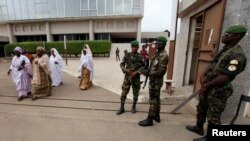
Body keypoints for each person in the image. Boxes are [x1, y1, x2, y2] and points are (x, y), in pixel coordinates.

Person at [186, 25, 247, 141]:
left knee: (214, 115)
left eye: (227, 34)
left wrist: (206, 85)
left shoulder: (237, 55)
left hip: (219, 90)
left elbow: (225, 77)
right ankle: (199, 127)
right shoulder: (225, 49)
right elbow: (214, 63)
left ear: (237, 36)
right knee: (202, 107)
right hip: (208, 86)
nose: (224, 36)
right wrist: (203, 74)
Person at [138, 36, 169, 126]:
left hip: (156, 82)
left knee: (153, 100)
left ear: (162, 44)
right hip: (153, 80)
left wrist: (148, 74)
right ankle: (157, 116)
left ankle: (149, 119)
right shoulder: (158, 53)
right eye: (156, 43)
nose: (155, 44)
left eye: (158, 43)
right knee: (157, 99)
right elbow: (154, 67)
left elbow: (161, 71)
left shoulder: (163, 55)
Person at [116, 40, 145, 115]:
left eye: (136, 47)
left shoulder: (140, 57)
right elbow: (122, 64)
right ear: (131, 47)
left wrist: (136, 72)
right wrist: (126, 70)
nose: (134, 48)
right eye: (133, 47)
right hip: (127, 77)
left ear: (138, 47)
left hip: (136, 78)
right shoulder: (127, 55)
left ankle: (134, 106)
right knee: (124, 92)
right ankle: (122, 107)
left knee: (135, 93)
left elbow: (143, 67)